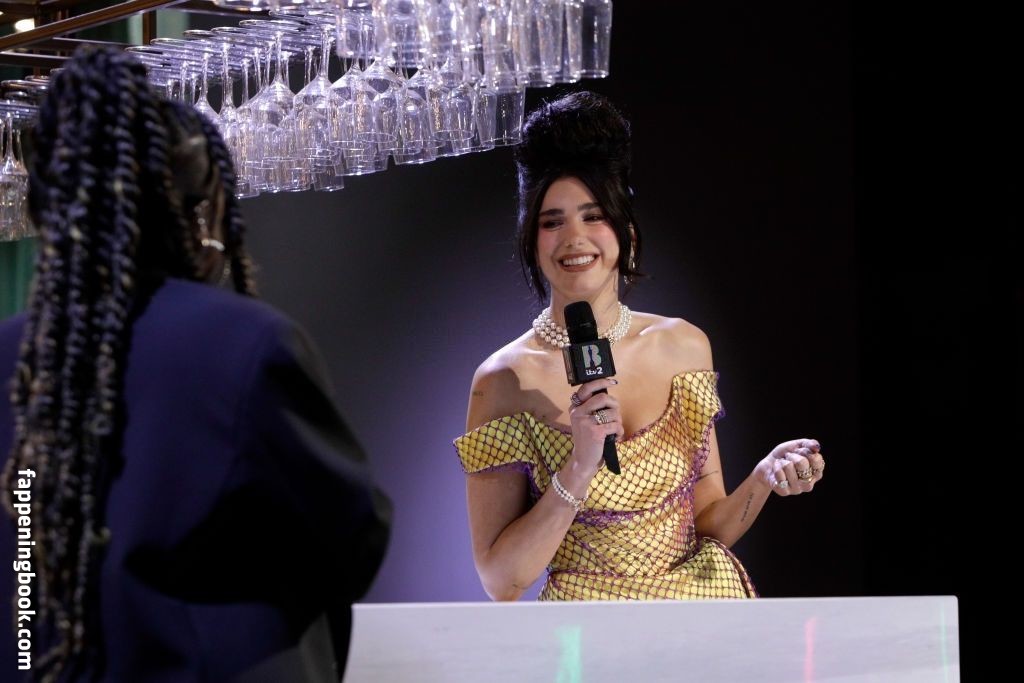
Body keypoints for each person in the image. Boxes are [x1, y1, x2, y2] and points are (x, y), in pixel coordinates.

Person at [0, 47, 390, 681]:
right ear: (200, 210)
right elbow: (352, 537)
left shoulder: (9, 354)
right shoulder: (245, 343)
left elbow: (20, 564)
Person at [455, 91, 825, 602]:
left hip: (701, 611)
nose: (574, 238)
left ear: (624, 227)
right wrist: (578, 467)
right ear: (530, 239)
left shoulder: (682, 346)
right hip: (588, 628)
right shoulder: (503, 380)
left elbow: (707, 525)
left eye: (593, 216)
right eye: (552, 221)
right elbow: (502, 580)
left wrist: (762, 479)